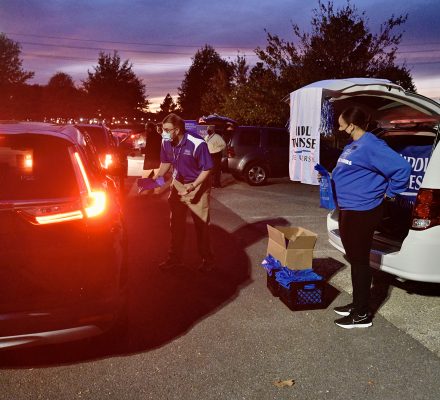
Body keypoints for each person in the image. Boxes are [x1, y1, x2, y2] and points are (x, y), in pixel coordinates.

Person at [331, 106, 411, 329]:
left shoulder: (372, 145)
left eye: (341, 125)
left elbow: (403, 168)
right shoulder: (353, 145)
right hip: (348, 208)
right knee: (354, 258)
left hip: (363, 210)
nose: (339, 128)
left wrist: (390, 193)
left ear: (352, 125)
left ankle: (362, 314)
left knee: (359, 262)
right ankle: (358, 303)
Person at [153, 113, 214, 271]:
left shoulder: (197, 143)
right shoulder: (165, 141)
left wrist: (193, 186)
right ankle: (175, 259)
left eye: (167, 130)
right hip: (178, 184)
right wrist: (157, 179)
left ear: (177, 130)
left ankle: (207, 260)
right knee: (176, 224)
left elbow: (207, 168)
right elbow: (166, 162)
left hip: (197, 184)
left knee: (201, 225)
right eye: (162, 129)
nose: (164, 133)